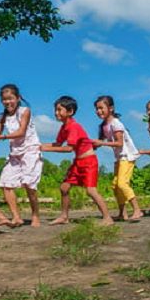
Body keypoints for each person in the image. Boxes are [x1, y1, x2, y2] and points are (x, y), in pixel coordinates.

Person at [40, 96, 114, 226]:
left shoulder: (74, 127)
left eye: (59, 110)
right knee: (64, 187)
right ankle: (64, 216)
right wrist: (39, 146)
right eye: (55, 110)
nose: (56, 113)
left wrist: (45, 149)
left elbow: (69, 148)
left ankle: (108, 218)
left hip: (89, 162)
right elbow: (57, 143)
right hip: (77, 163)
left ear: (70, 111)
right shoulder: (64, 128)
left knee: (91, 190)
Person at [0, 84, 42, 228]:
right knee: (6, 183)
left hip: (30, 150)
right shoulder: (2, 117)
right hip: (15, 153)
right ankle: (16, 217)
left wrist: (3, 136)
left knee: (29, 185)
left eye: (10, 99)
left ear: (18, 98)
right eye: (4, 100)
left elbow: (21, 132)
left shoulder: (25, 111)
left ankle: (35, 215)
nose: (7, 102)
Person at [91, 96, 143, 221]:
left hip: (127, 156)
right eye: (96, 109)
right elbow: (100, 142)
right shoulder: (104, 126)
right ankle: (122, 213)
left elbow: (119, 143)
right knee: (115, 186)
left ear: (111, 108)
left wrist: (101, 143)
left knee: (122, 183)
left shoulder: (116, 123)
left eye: (101, 108)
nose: (98, 111)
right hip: (119, 158)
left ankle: (137, 210)